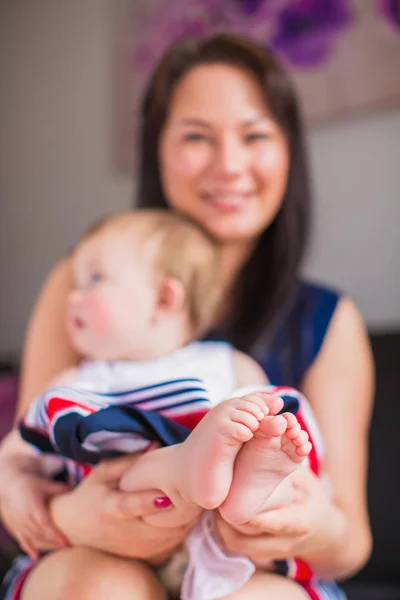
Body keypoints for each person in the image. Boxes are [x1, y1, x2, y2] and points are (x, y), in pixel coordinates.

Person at [0, 32, 374, 600]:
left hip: (254, 568)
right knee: (99, 588)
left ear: (288, 149)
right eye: (197, 137)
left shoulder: (326, 321)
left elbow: (351, 539)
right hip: (95, 551)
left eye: (255, 135)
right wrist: (74, 515)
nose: (229, 165)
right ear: (158, 150)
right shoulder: (82, 284)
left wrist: (307, 522)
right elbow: (28, 458)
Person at [16, 208, 312, 600]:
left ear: (165, 298)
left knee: (267, 420)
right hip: (121, 530)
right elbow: (18, 453)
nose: (73, 296)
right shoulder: (79, 383)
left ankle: (252, 492)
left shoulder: (226, 365)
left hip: (219, 540)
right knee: (145, 470)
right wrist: (15, 484)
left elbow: (287, 441)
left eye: (95, 279)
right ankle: (186, 467)